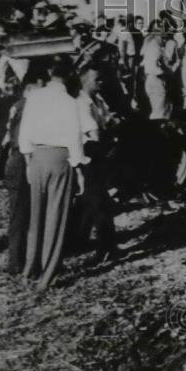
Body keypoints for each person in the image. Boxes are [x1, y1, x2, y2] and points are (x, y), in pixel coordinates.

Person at [18, 55, 87, 291]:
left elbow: (24, 131)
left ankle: (29, 270)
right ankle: (47, 276)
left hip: (36, 157)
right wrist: (78, 167)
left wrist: (28, 160)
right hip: (60, 158)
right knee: (56, 218)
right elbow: (74, 137)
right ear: (68, 75)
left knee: (35, 217)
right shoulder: (69, 101)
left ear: (49, 74)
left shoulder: (35, 97)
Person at [74, 66, 118, 263]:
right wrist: (108, 133)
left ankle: (80, 239)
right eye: (96, 80)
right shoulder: (81, 103)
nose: (100, 83)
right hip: (89, 153)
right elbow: (95, 133)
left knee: (90, 199)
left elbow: (109, 120)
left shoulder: (98, 100)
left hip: (100, 151)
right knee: (99, 202)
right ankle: (106, 247)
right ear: (85, 81)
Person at [1, 59, 37, 274]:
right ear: (30, 88)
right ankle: (16, 261)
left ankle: (18, 258)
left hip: (14, 161)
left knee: (20, 213)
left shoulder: (17, 105)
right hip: (22, 161)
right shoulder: (27, 107)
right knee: (21, 214)